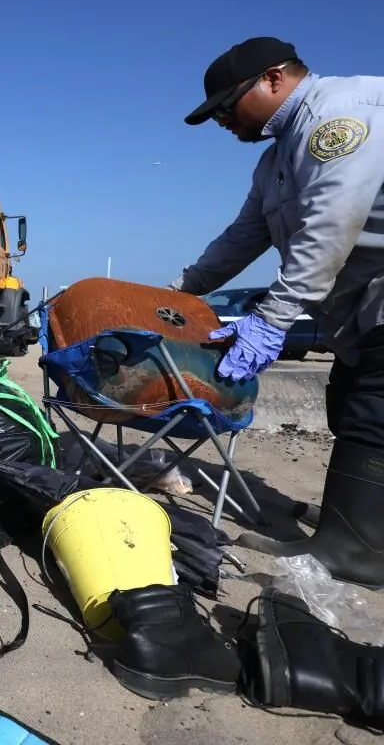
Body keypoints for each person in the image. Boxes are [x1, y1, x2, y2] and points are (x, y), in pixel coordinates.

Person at [168, 36, 384, 588]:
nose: (221, 120)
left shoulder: (341, 116)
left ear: (271, 79)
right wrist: (179, 294)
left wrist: (272, 319)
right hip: (361, 313)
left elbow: (331, 228)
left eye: (225, 106)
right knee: (352, 401)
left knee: (372, 413)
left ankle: (356, 551)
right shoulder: (275, 162)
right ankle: (352, 523)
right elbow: (242, 238)